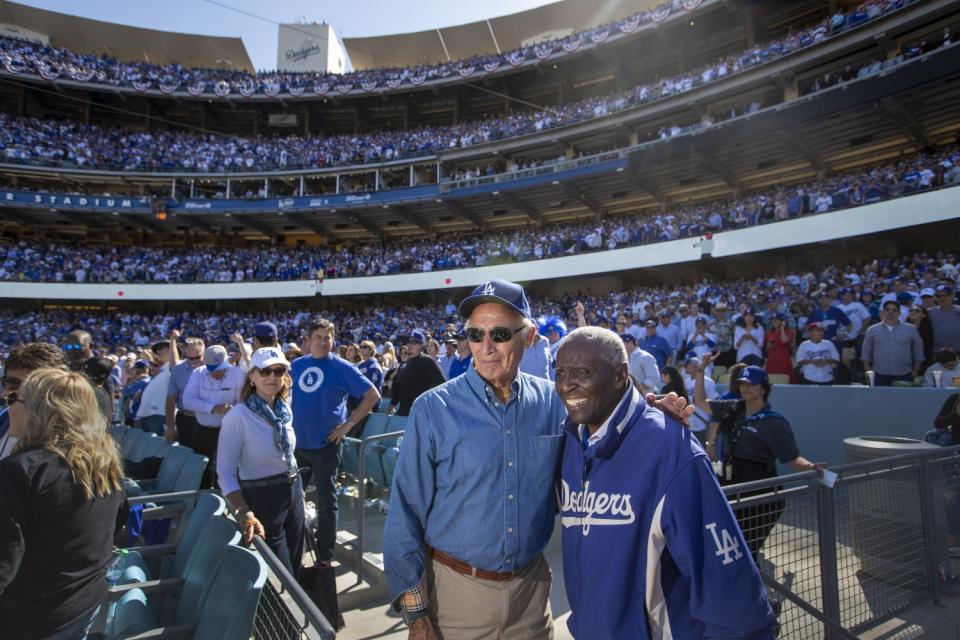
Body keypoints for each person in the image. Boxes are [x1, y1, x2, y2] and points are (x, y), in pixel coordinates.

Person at [555, 327, 775, 639]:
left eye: (580, 372)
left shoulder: (673, 449)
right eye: (560, 371)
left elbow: (732, 600)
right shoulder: (569, 442)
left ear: (620, 376)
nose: (565, 384)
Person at [384, 279, 567, 639]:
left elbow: (606, 439)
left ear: (528, 337)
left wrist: (653, 415)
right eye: (474, 334)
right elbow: (405, 513)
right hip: (455, 599)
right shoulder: (432, 409)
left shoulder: (552, 402)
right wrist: (416, 614)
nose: (485, 347)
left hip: (531, 594)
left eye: (499, 334)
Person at [0, 368, 126, 639]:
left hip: (28, 619)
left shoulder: (19, 472)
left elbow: (3, 562)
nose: (7, 405)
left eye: (14, 399)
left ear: (39, 411)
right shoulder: (105, 464)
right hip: (80, 606)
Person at [694, 358, 825, 560]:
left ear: (763, 389)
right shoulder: (733, 408)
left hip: (759, 493)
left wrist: (810, 466)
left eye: (751, 384)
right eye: (742, 384)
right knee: (726, 546)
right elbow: (700, 402)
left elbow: (791, 457)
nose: (745, 388)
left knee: (747, 549)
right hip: (731, 487)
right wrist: (701, 371)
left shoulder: (774, 422)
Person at [291, 318, 380, 564]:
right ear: (308, 340)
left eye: (326, 337)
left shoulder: (341, 367)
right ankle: (294, 545)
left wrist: (348, 424)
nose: (322, 342)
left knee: (326, 503)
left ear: (333, 340)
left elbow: (372, 395)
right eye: (317, 337)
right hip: (297, 445)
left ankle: (325, 555)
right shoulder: (297, 365)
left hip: (325, 446)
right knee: (292, 500)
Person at [218, 347, 304, 575]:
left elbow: (287, 454)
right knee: (280, 572)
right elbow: (225, 471)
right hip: (262, 496)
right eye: (265, 371)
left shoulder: (284, 410)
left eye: (279, 371)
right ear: (252, 377)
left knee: (296, 561)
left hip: (293, 489)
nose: (272, 377)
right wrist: (244, 511)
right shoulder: (237, 417)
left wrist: (297, 489)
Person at [183, 345, 245, 488]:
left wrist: (232, 410)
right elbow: (188, 400)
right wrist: (213, 408)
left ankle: (225, 499)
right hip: (202, 430)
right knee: (200, 468)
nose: (216, 374)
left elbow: (244, 402)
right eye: (212, 370)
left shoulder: (238, 374)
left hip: (227, 430)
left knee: (225, 468)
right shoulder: (198, 373)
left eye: (220, 370)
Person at [0, 342, 69, 460]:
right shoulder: (5, 417)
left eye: (33, 385)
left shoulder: (74, 435)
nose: (21, 392)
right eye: (13, 382)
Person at [862, 300, 924, 386]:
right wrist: (868, 371)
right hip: (879, 373)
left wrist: (915, 370)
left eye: (894, 310)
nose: (890, 312)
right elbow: (866, 352)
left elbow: (918, 350)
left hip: (904, 373)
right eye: (887, 309)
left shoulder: (911, 329)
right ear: (883, 312)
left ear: (899, 313)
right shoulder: (872, 330)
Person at [388, 330, 446, 417]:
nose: (409, 345)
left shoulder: (428, 361)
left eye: (414, 342)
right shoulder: (405, 363)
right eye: (409, 342)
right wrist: (392, 403)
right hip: (403, 413)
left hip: (420, 414)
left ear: (422, 345)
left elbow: (442, 383)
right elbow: (398, 384)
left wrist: (428, 404)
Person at [165, 335, 205, 445]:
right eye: (190, 358)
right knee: (187, 454)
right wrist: (170, 427)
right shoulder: (177, 370)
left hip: (207, 419)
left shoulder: (212, 368)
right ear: (185, 355)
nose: (194, 361)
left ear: (203, 352)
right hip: (186, 419)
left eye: (197, 357)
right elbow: (170, 400)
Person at [135, 341, 172, 435]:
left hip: (158, 416)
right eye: (157, 350)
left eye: (162, 348)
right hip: (145, 415)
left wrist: (173, 340)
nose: (158, 351)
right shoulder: (162, 371)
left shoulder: (173, 368)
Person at [764, 313, 796, 383]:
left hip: (784, 360)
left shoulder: (789, 331)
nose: (774, 322)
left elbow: (784, 340)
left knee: (786, 381)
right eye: (773, 320)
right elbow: (766, 349)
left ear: (782, 321)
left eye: (777, 320)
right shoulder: (769, 333)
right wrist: (769, 346)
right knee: (771, 381)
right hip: (772, 361)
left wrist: (782, 328)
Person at [928, 284, 960, 351]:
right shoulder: (930, 313)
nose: (942, 298)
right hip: (938, 353)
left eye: (946, 295)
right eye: (939, 296)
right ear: (935, 298)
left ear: (953, 295)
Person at [908, 305, 935, 372]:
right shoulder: (902, 328)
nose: (913, 312)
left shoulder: (928, 330)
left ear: (923, 315)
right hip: (905, 364)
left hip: (924, 364)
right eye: (911, 310)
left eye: (917, 311)